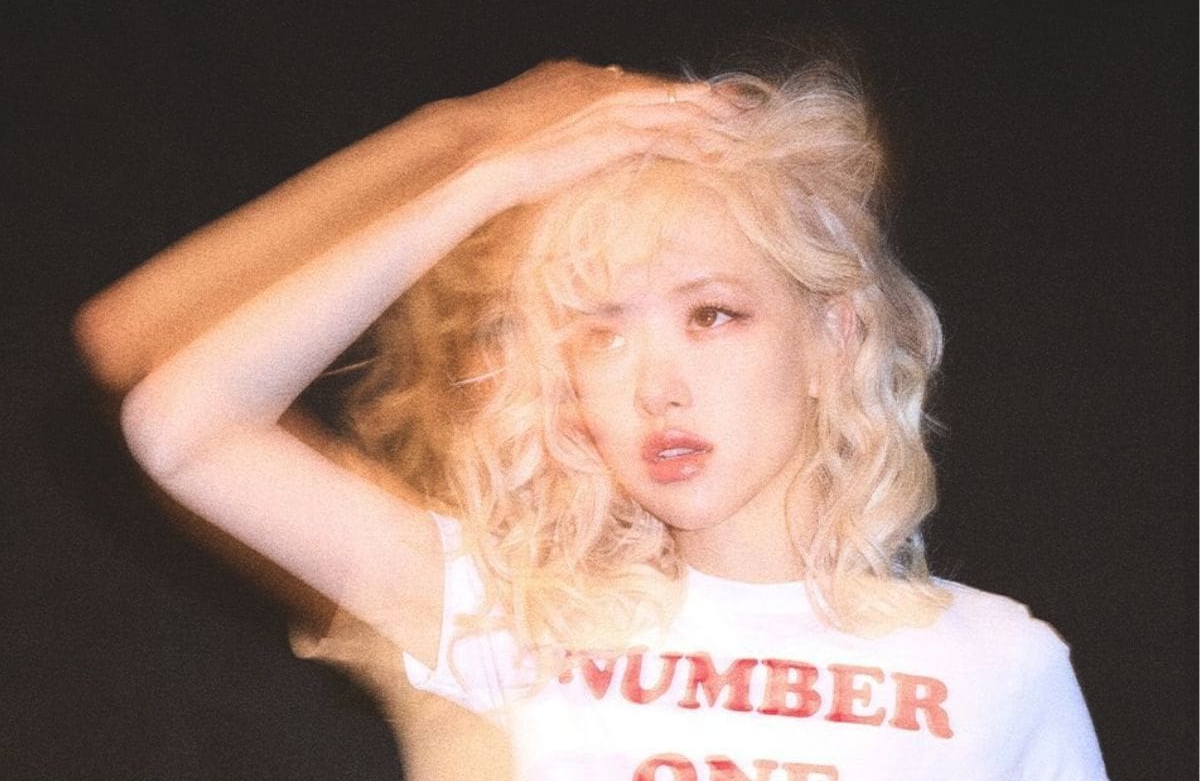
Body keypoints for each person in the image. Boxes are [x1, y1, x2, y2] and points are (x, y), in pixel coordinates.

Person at [76, 60, 1107, 779]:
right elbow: (182, 425)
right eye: (603, 334)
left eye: (713, 314)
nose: (658, 385)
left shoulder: (998, 662)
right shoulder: (498, 614)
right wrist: (484, 182)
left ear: (833, 339)